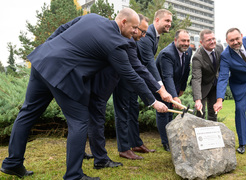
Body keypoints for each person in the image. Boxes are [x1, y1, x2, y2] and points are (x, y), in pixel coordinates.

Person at [0, 8, 165, 180]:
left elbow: (62, 29)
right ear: (123, 22)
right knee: (79, 121)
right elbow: (130, 75)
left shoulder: (92, 18)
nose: (136, 31)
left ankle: (12, 163)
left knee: (27, 113)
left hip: (42, 60)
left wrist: (49, 48)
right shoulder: (115, 43)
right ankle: (74, 175)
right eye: (134, 27)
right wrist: (153, 102)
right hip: (63, 74)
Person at [112, 9, 172, 155]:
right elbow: (146, 64)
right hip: (123, 80)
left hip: (134, 81)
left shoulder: (144, 37)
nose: (143, 35)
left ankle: (136, 143)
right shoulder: (142, 36)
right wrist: (160, 89)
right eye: (141, 31)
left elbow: (141, 66)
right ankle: (124, 148)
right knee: (123, 113)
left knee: (133, 112)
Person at [155, 29, 193, 151]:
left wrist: (182, 88)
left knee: (171, 112)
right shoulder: (167, 54)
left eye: (188, 40)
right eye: (183, 40)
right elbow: (167, 77)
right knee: (163, 112)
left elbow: (186, 70)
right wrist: (174, 97)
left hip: (174, 85)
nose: (186, 43)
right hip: (160, 86)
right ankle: (166, 142)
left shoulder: (188, 51)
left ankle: (170, 137)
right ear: (176, 40)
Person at [191, 29, 223, 121]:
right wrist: (197, 100)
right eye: (209, 40)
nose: (212, 41)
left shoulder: (219, 48)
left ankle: (212, 133)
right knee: (200, 112)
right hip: (202, 86)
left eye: (213, 38)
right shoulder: (197, 57)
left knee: (213, 112)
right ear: (201, 42)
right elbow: (196, 79)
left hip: (215, 84)